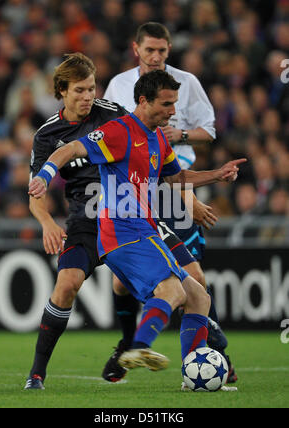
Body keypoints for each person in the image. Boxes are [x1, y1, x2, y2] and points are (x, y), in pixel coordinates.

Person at [29, 70, 246, 378]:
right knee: (172, 289)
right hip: (121, 232)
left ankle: (193, 374)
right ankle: (137, 345)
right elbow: (71, 148)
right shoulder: (119, 131)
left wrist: (217, 174)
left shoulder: (158, 137)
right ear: (144, 101)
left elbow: (175, 178)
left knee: (199, 296)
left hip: (146, 229)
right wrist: (46, 174)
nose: (173, 111)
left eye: (174, 104)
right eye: (167, 104)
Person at [102, 22, 237, 383]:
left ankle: (210, 353)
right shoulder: (118, 85)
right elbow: (112, 140)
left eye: (162, 51)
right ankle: (130, 343)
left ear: (169, 49)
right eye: (150, 50)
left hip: (175, 185)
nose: (157, 57)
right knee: (126, 284)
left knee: (193, 279)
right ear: (137, 50)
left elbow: (208, 131)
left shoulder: (186, 83)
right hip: (136, 194)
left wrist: (181, 136)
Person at [24, 52, 129, 390]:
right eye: (80, 91)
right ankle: (37, 373)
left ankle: (128, 349)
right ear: (62, 92)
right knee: (67, 284)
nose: (88, 97)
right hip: (85, 220)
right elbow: (36, 192)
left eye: (91, 89)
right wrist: (47, 222)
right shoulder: (46, 135)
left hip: (125, 215)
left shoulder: (112, 114)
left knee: (135, 283)